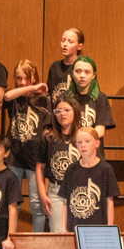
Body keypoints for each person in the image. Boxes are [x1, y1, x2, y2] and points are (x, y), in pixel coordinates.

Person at [3, 59, 51, 232]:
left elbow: (48, 128)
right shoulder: (14, 98)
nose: (22, 82)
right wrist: (32, 87)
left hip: (35, 159)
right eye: (18, 78)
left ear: (34, 77)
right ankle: (10, 237)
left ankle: (37, 239)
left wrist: (36, 90)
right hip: (15, 156)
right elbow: (6, 96)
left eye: (26, 78)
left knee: (37, 204)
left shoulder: (43, 100)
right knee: (12, 202)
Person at [60, 127, 118, 231]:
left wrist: (109, 229)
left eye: (87, 141)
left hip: (98, 229)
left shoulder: (106, 169)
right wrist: (64, 229)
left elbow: (109, 202)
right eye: (79, 142)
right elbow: (65, 202)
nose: (83, 145)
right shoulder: (71, 170)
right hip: (74, 229)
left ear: (97, 143)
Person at [36, 97, 80, 232]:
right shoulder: (48, 137)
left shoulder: (82, 136)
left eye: (67, 110)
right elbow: (40, 167)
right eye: (58, 111)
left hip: (78, 191)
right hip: (56, 192)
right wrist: (42, 194)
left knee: (78, 234)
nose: (62, 114)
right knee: (58, 234)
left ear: (75, 112)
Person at [69, 56, 114, 139]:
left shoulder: (101, 98)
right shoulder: (64, 98)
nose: (82, 75)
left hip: (92, 145)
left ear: (93, 75)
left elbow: (100, 130)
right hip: (70, 144)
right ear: (72, 73)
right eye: (78, 71)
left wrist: (81, 140)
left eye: (87, 72)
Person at [47, 27, 84, 102]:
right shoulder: (54, 67)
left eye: (70, 42)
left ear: (79, 46)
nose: (65, 44)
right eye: (63, 40)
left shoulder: (83, 67)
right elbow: (49, 94)